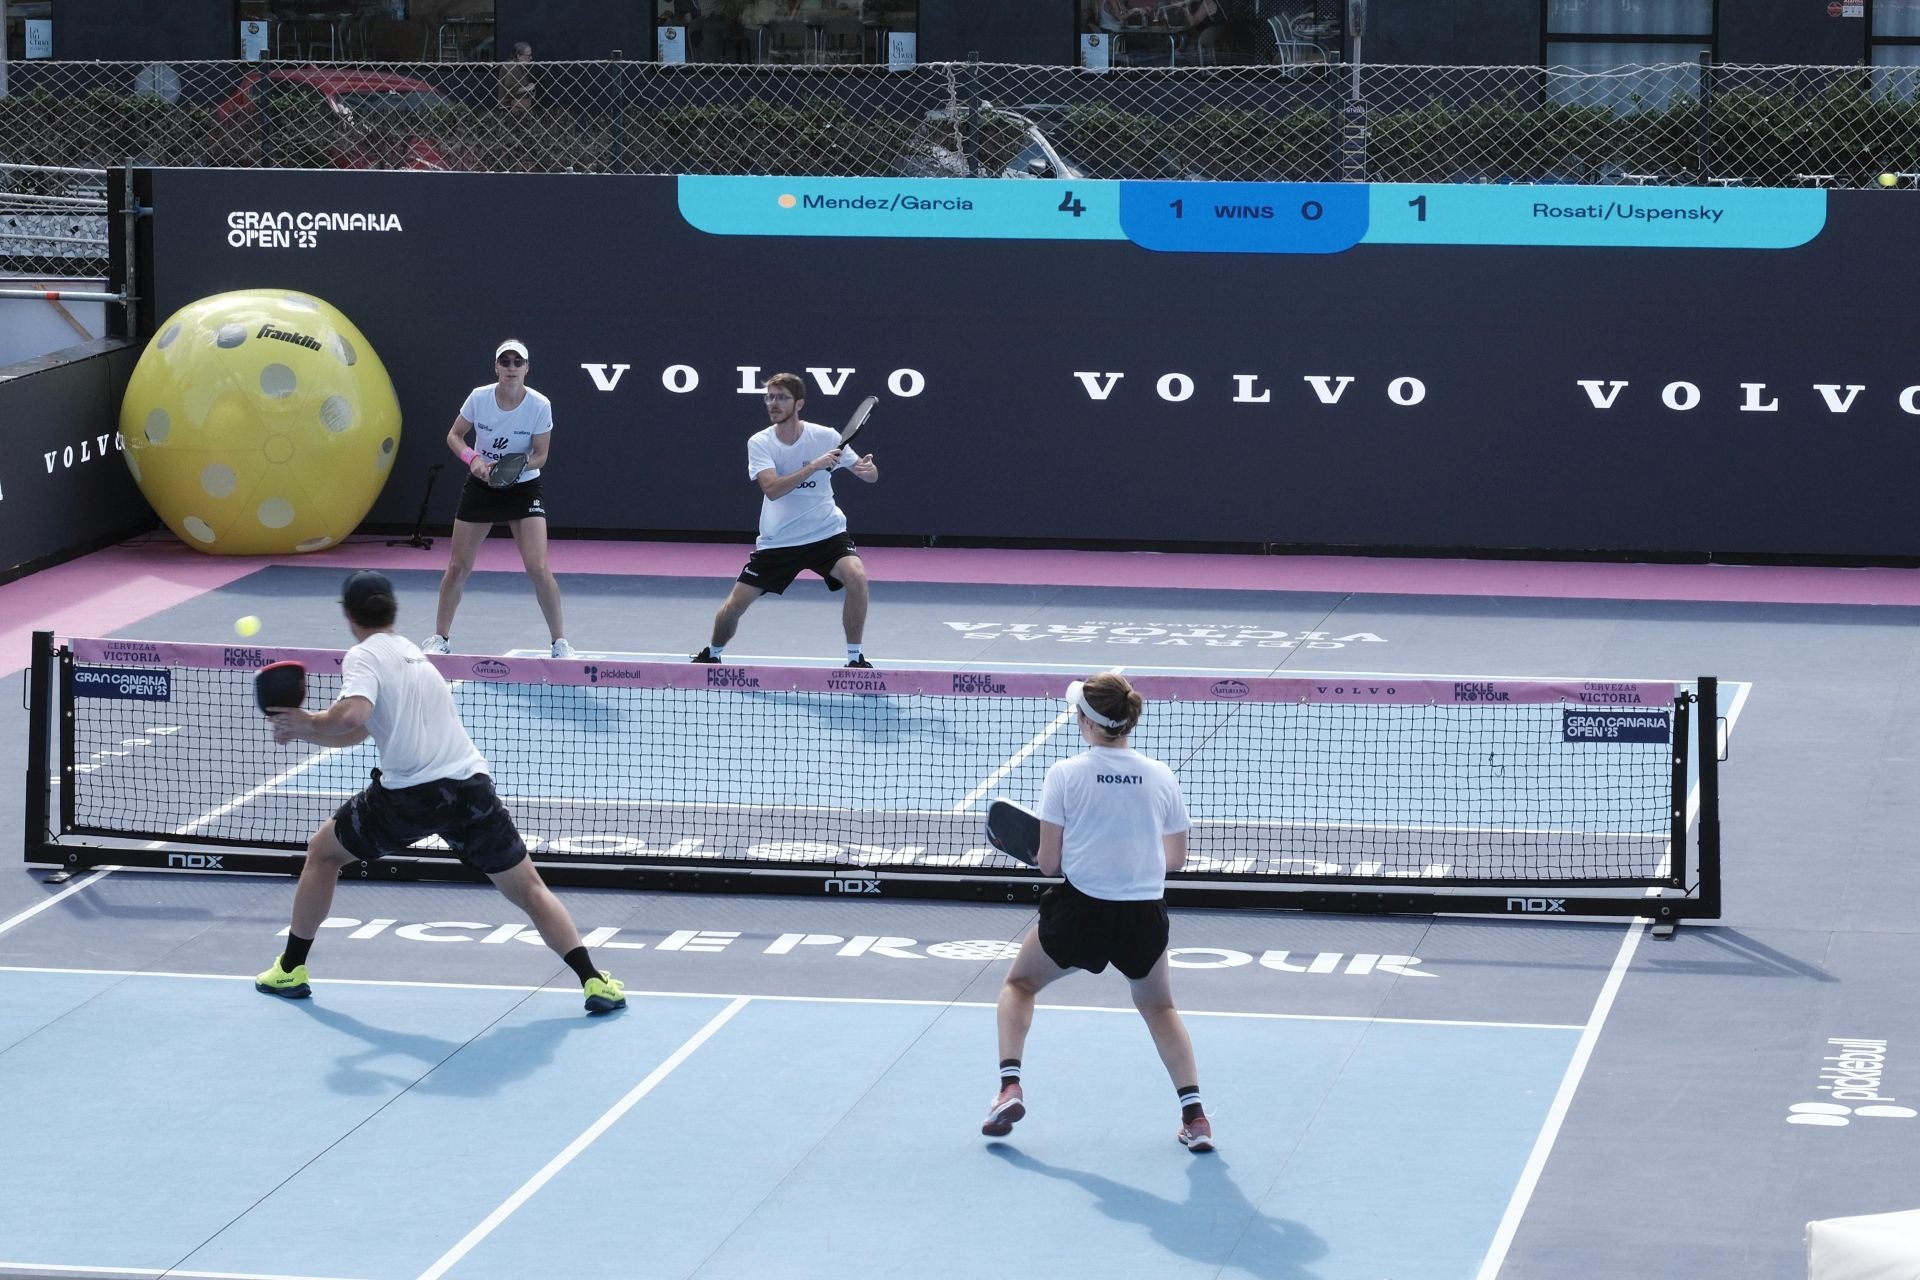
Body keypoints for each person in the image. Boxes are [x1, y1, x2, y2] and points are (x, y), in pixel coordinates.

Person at [255, 570, 626, 1015]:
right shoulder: (413, 654)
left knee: (324, 853)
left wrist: (309, 721)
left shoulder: (363, 655)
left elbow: (352, 715)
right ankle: (594, 981)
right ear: (392, 610)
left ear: (349, 615)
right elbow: (363, 731)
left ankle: (291, 969)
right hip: (470, 789)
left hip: (411, 796)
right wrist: (305, 732)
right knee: (528, 888)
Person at [981, 672, 1213, 1152]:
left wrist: (1083, 853)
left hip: (1081, 910)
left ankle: (1009, 1087)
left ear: (1087, 722)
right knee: (1159, 1007)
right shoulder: (1161, 775)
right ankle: (1195, 1118)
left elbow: (1047, 863)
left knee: (1019, 985)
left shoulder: (1064, 775)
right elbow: (1174, 860)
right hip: (1142, 915)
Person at [692, 372, 880, 667]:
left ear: (799, 403)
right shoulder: (760, 442)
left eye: (781, 397)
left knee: (856, 577)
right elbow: (772, 489)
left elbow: (867, 474)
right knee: (734, 606)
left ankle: (855, 659)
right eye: (769, 397)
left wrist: (868, 470)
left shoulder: (826, 437)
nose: (773, 403)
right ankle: (711, 654)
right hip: (779, 541)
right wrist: (815, 466)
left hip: (826, 534)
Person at [423, 339, 575, 660]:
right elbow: (454, 435)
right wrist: (472, 459)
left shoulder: (539, 405)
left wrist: (513, 467)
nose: (511, 367)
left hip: (523, 487)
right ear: (496, 367)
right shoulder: (479, 398)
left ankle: (560, 643)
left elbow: (541, 455)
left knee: (537, 567)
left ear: (526, 369)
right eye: (504, 361)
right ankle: (440, 638)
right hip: (482, 485)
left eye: (517, 362)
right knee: (458, 566)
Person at [497, 41, 534, 111]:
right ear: (518, 56)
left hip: (517, 107)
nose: (531, 58)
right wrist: (528, 88)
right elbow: (510, 90)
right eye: (528, 56)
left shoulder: (519, 66)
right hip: (510, 109)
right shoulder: (512, 66)